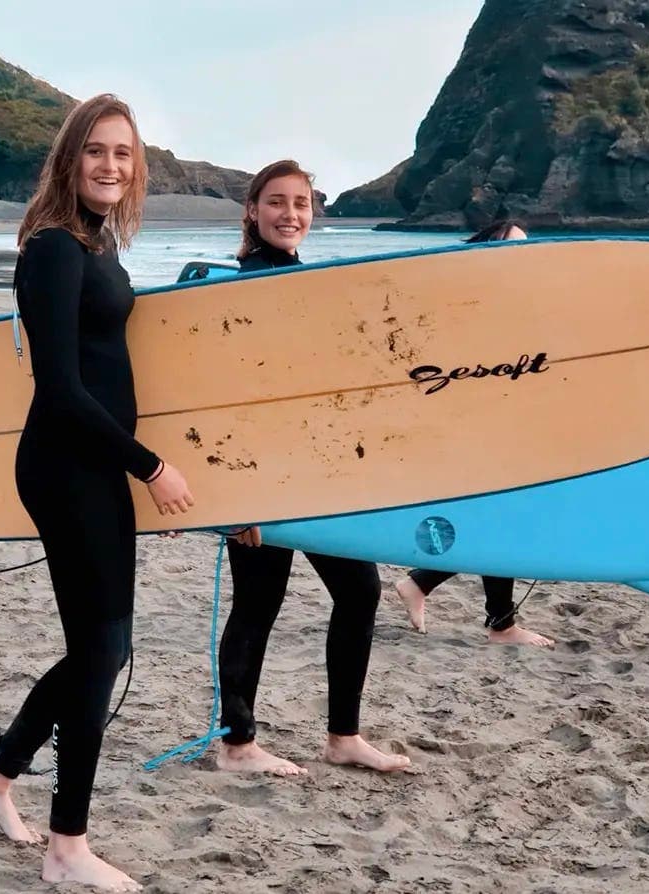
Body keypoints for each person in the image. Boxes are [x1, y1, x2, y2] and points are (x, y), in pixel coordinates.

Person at [0, 94, 193, 893]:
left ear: (137, 169)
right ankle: (67, 845)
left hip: (92, 466)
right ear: (69, 158)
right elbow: (58, 389)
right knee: (101, 650)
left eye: (123, 154)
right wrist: (151, 467)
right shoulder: (54, 250)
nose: (110, 166)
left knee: (103, 647)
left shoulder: (100, 250)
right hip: (67, 465)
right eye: (96, 151)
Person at [213, 160, 409, 778]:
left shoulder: (316, 288)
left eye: (300, 203)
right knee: (256, 605)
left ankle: (343, 737)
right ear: (252, 210)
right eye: (275, 202)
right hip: (257, 478)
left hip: (317, 476)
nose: (289, 214)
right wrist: (234, 499)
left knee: (361, 591)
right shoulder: (230, 290)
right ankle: (237, 746)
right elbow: (219, 399)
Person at [393, 218, 553, 648]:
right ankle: (497, 623)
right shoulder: (473, 304)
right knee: (498, 520)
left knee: (493, 520)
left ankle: (427, 586)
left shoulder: (509, 303)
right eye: (511, 246)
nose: (522, 254)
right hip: (479, 432)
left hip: (499, 429)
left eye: (526, 246)